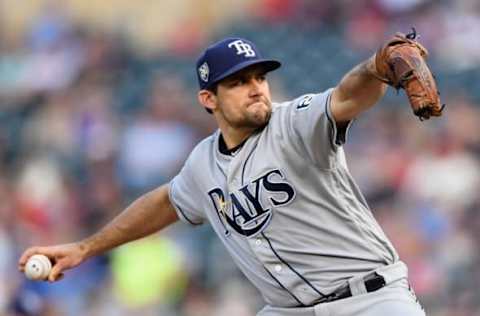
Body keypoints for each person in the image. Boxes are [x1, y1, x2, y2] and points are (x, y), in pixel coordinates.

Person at [19, 37, 427, 316]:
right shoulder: (202, 164)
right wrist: (85, 248)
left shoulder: (296, 123)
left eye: (259, 78)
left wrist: (375, 68)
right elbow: (164, 203)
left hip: (370, 300)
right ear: (208, 99)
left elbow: (348, 95)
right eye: (238, 82)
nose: (256, 89)